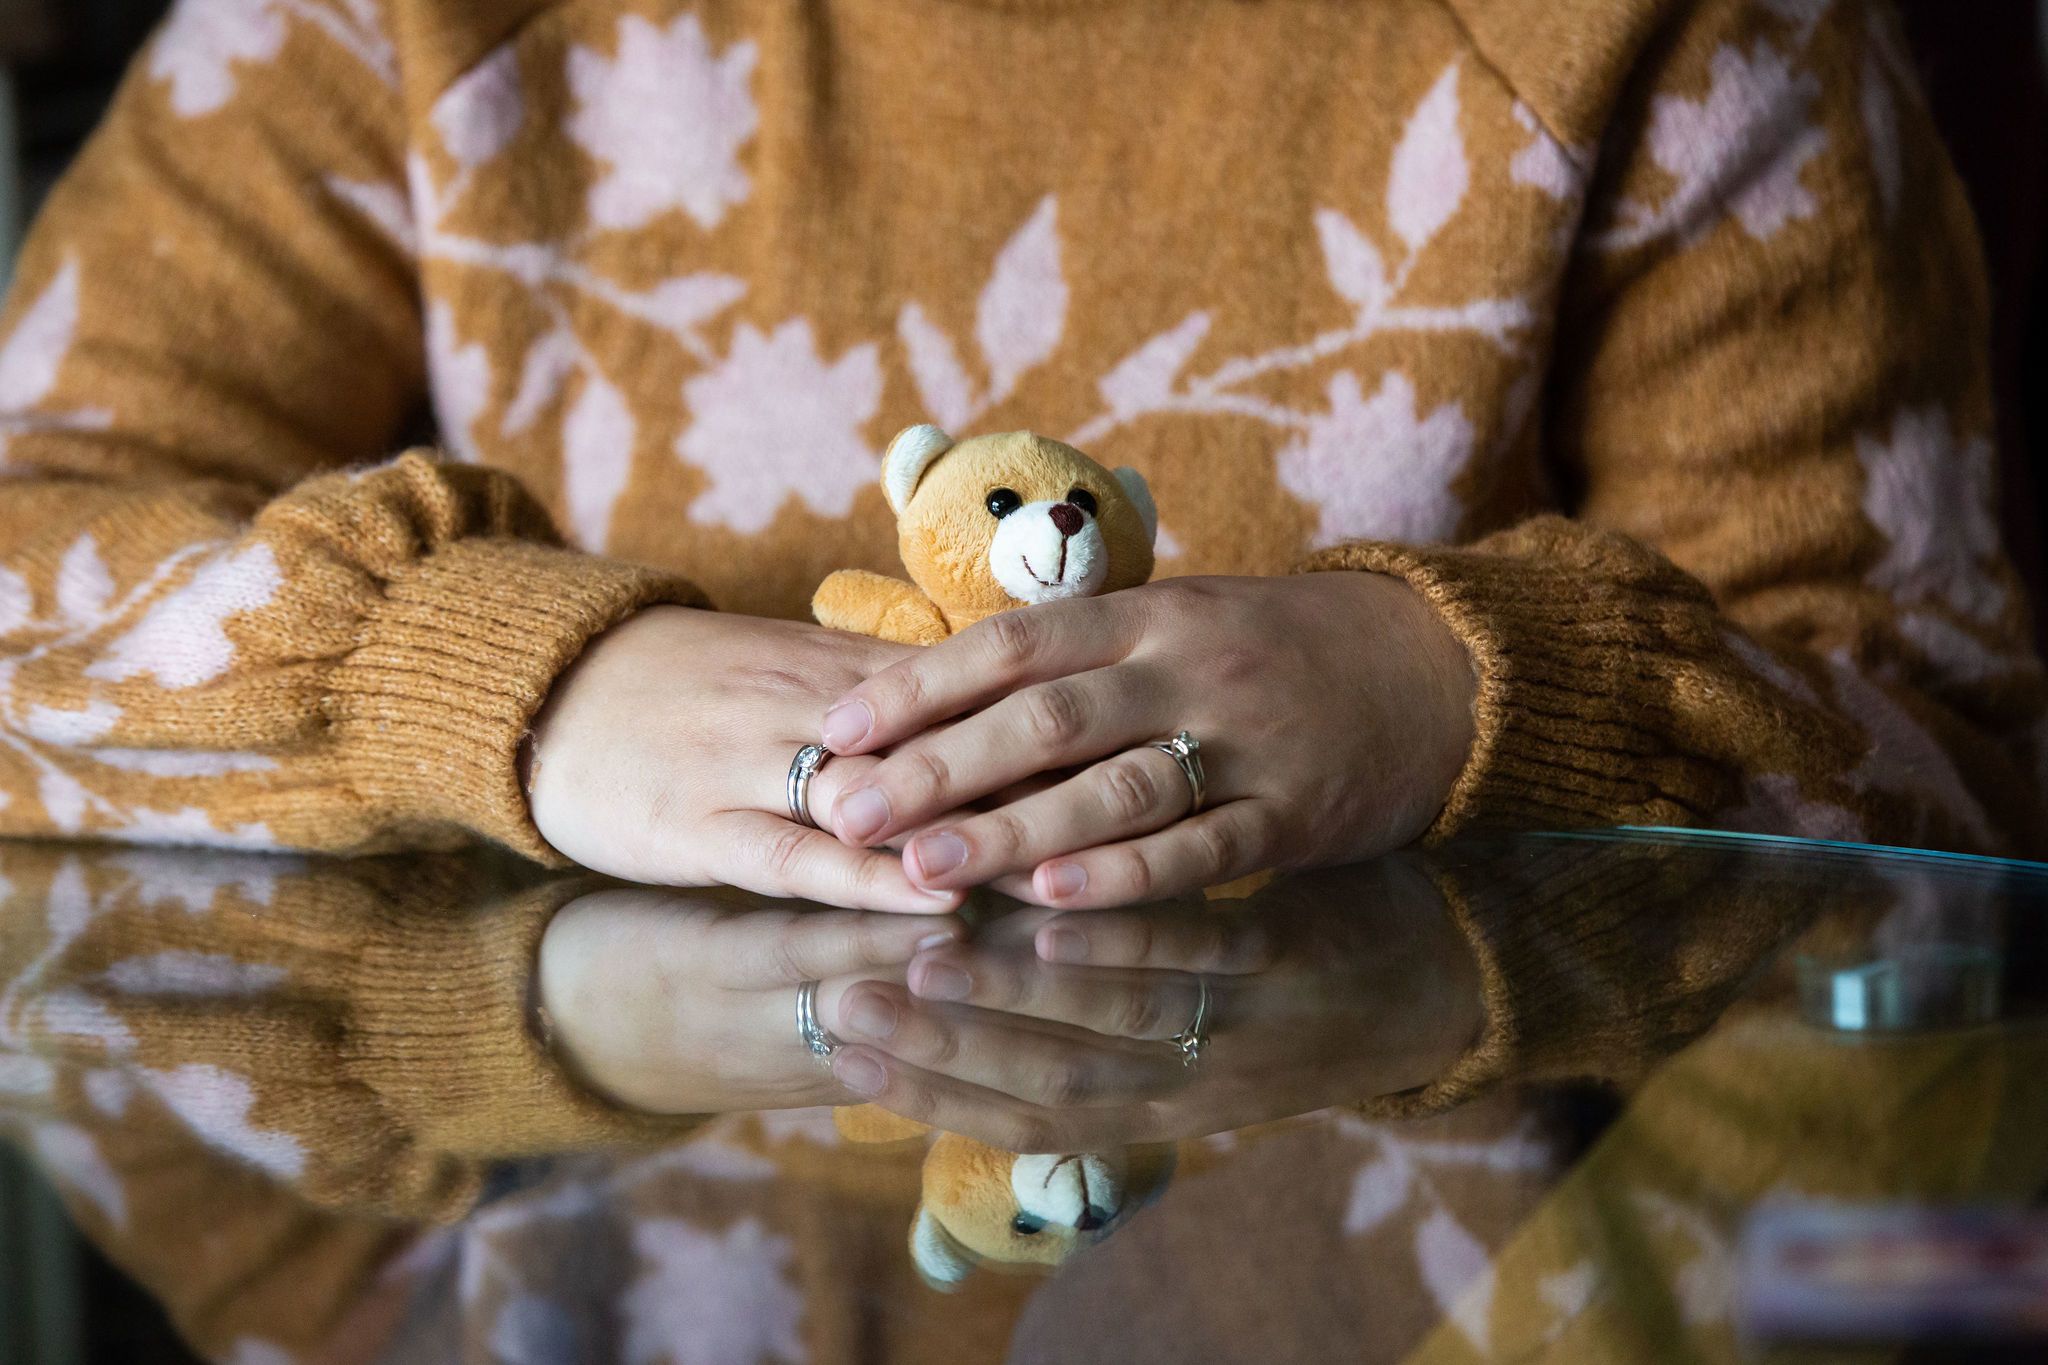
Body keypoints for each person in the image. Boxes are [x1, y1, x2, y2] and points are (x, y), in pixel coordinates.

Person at [0, 0, 2040, 919]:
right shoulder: (387, 21)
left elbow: (1949, 759)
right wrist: (488, 685)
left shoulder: (1685, 29)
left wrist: (1457, 690)